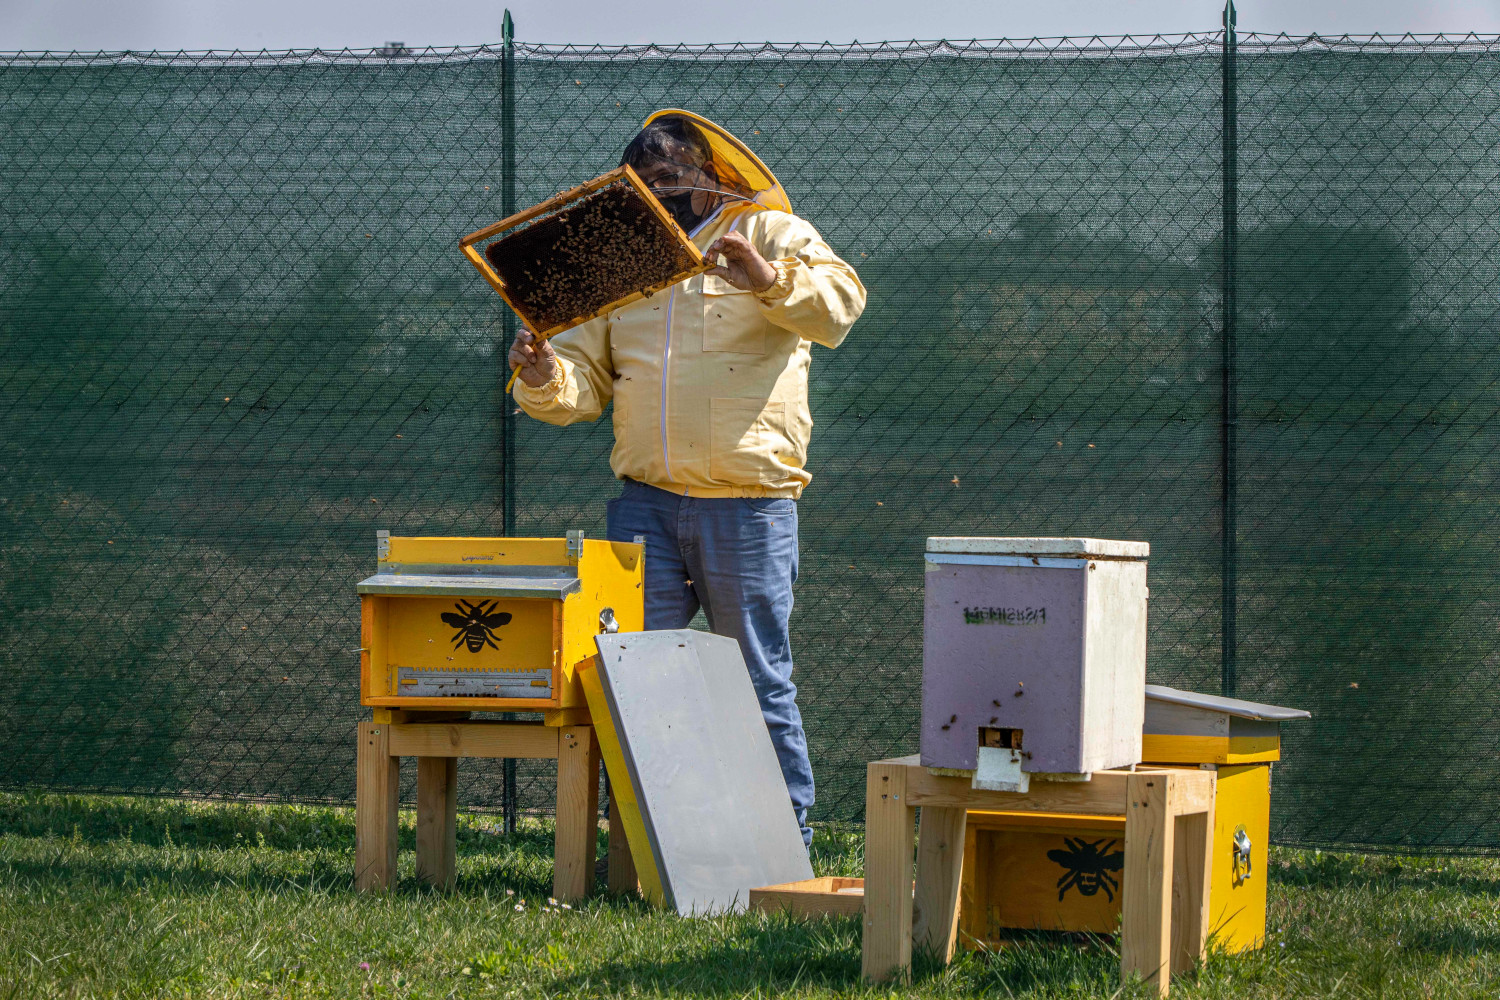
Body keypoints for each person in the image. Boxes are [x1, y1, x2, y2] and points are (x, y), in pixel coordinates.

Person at [508, 110, 866, 846]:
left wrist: (768, 281)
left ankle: (784, 847)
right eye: (642, 183)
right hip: (647, 505)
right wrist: (545, 373)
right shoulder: (619, 258)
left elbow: (841, 306)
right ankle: (647, 848)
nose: (656, 194)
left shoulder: (769, 233)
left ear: (711, 180)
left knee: (759, 681)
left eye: (669, 179)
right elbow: (583, 382)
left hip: (750, 505)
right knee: (637, 685)